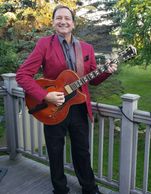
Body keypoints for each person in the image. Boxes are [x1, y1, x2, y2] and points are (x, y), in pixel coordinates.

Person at [16, 5, 117, 194]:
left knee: (82, 152)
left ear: (73, 23)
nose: (63, 21)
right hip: (53, 107)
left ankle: (89, 188)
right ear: (53, 22)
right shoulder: (44, 44)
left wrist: (106, 72)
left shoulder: (86, 48)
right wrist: (45, 95)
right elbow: (22, 75)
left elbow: (92, 80)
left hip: (78, 107)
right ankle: (60, 189)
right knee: (55, 152)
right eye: (58, 18)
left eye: (67, 18)